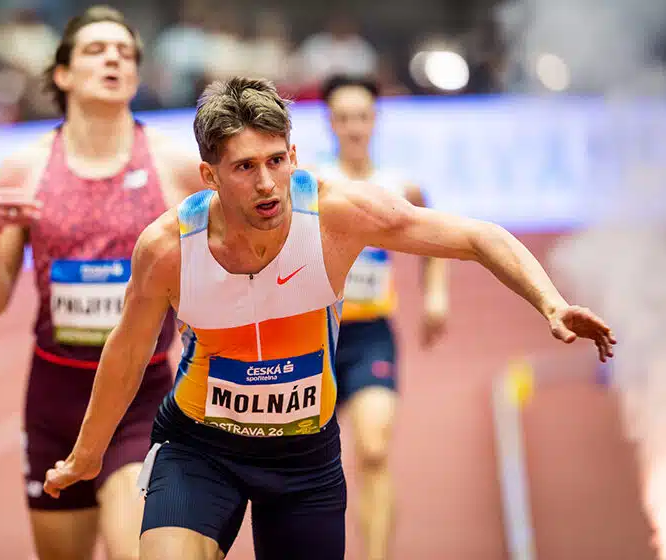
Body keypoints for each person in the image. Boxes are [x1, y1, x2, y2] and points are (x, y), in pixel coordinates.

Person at [40, 76, 617, 560]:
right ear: (210, 176)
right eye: (244, 168)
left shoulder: (339, 216)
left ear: (293, 155)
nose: (267, 184)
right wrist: (87, 454)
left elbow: (473, 236)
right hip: (201, 449)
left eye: (275, 160)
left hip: (302, 460)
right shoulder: (168, 247)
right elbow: (128, 351)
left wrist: (549, 301)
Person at [0, 6, 202, 560]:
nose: (113, 58)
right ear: (63, 75)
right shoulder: (24, 168)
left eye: (124, 52)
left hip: (139, 395)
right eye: (96, 50)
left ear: (137, 77)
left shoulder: (173, 163)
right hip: (54, 396)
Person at [318, 74, 448, 560]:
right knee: (311, 466)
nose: (354, 128)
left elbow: (438, 240)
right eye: (344, 118)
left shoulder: (399, 186)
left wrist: (435, 296)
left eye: (362, 117)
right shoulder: (314, 181)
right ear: (330, 122)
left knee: (373, 450)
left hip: (372, 336)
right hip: (316, 340)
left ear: (375, 121)